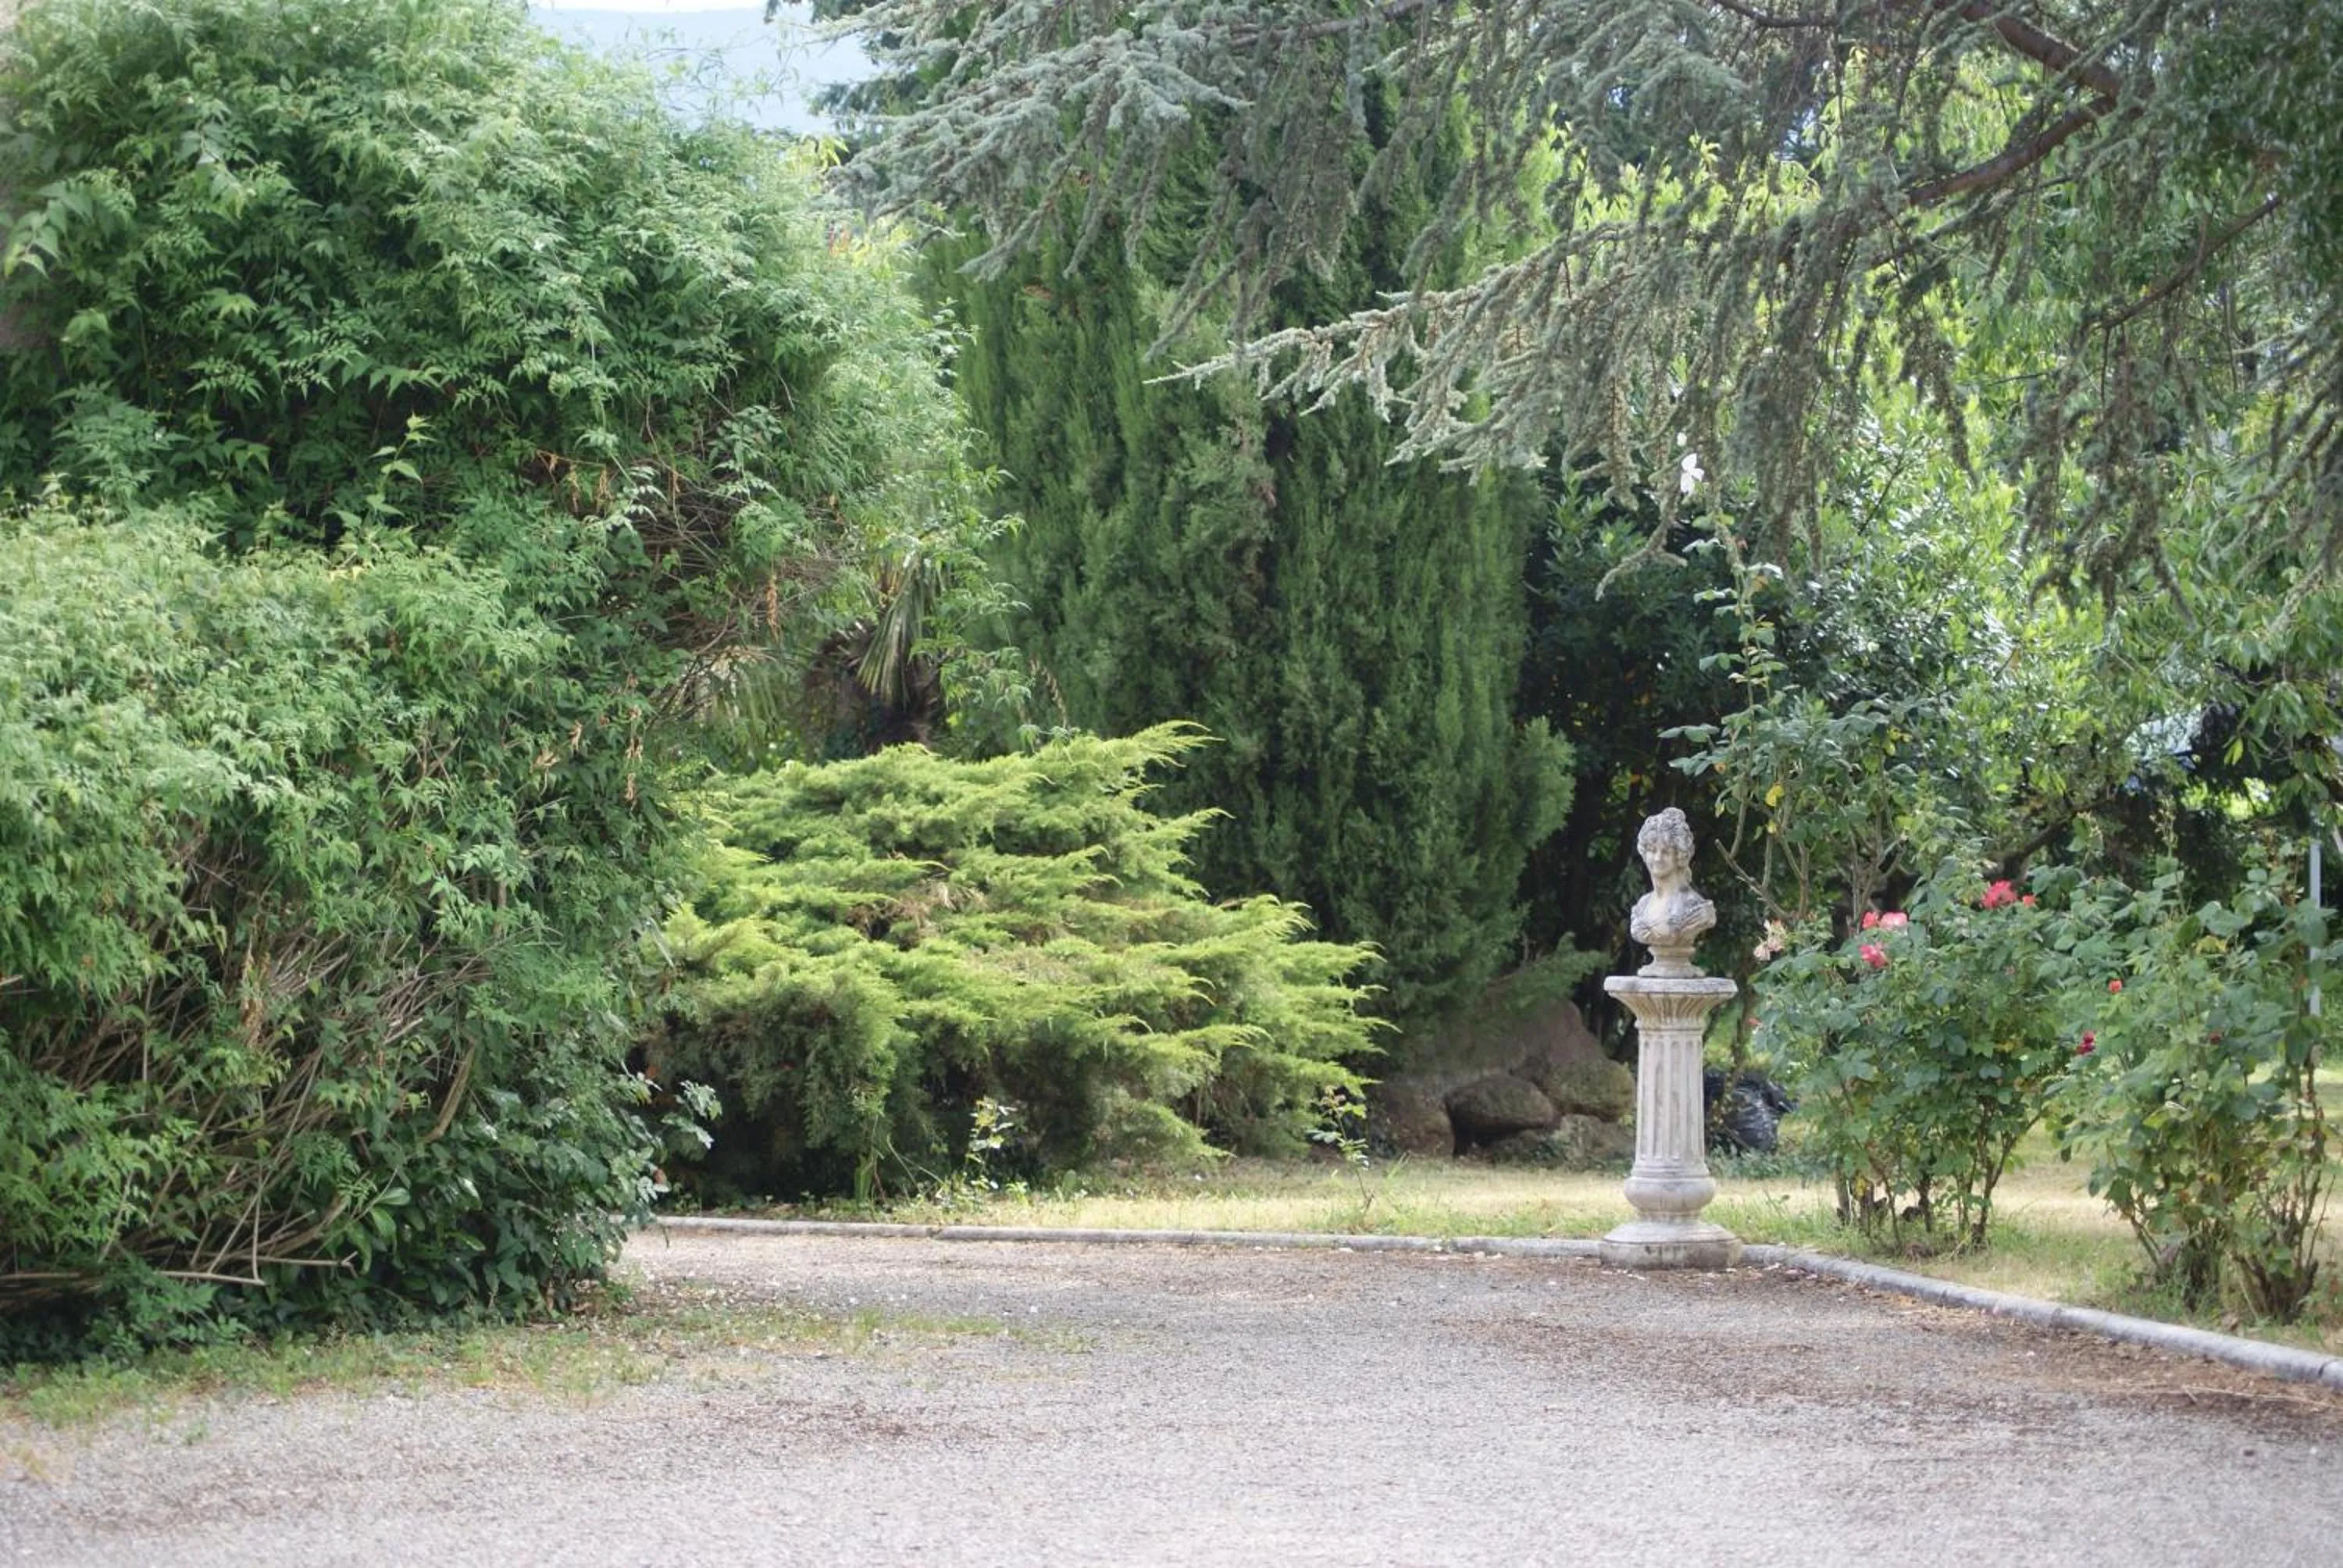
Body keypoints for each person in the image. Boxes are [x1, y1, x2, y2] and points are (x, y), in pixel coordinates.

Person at [1628, 807, 1715, 971]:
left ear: (1680, 856)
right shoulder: (1642, 906)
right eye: (1652, 850)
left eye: (1666, 852)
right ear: (1644, 852)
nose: (1657, 858)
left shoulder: (1693, 907)